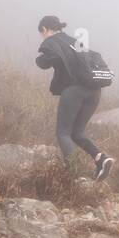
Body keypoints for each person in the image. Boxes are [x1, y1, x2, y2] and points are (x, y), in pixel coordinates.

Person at [36, 15, 113, 181]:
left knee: (63, 133)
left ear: (45, 29)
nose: (42, 36)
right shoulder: (75, 42)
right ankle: (102, 159)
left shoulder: (52, 41)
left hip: (74, 91)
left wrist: (40, 60)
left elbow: (48, 60)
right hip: (94, 91)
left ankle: (76, 176)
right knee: (77, 133)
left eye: (41, 33)